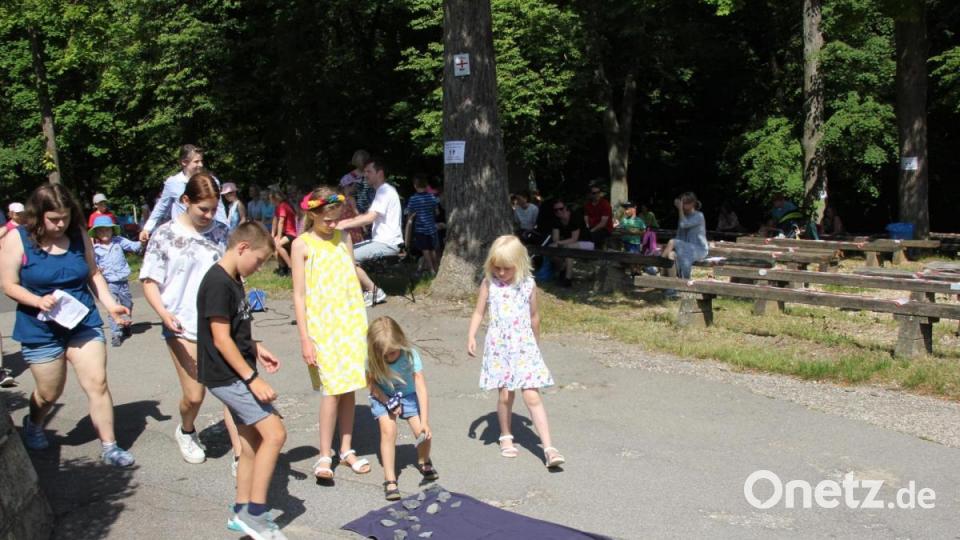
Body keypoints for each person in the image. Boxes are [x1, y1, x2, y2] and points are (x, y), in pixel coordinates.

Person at [0, 183, 134, 466]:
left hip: (82, 321)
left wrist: (111, 306)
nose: (61, 224)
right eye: (53, 219)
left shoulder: (78, 235)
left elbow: (94, 274)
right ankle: (34, 421)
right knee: (49, 393)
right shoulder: (17, 239)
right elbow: (8, 285)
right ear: (38, 216)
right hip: (40, 328)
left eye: (65, 217)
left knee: (97, 382)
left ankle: (110, 446)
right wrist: (37, 301)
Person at [140, 172, 243, 468]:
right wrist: (163, 314)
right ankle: (186, 429)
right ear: (186, 201)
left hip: (220, 324)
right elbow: (149, 281)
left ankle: (240, 456)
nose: (209, 216)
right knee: (195, 395)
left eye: (214, 209)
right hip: (182, 326)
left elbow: (234, 277)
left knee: (232, 391)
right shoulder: (165, 235)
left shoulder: (222, 233)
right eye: (203, 209)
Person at [196, 222, 288, 540]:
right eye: (259, 260)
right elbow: (220, 340)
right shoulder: (218, 283)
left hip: (237, 370)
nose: (259, 267)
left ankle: (241, 511)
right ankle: (256, 514)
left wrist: (256, 347)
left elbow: (235, 330)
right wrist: (252, 378)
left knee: (251, 442)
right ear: (243, 248)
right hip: (229, 376)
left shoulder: (235, 279)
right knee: (275, 434)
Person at [291, 186, 371, 481]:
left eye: (336, 218)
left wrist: (371, 290)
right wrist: (305, 338)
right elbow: (299, 295)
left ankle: (346, 448)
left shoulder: (344, 238)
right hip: (322, 329)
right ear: (312, 215)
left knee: (349, 387)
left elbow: (351, 273)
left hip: (350, 323)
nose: (333, 224)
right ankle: (324, 454)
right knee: (331, 390)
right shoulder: (302, 245)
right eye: (327, 219)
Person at [467, 235, 564, 468]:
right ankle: (505, 435)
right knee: (505, 395)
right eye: (496, 267)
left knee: (532, 395)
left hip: (524, 346)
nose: (501, 273)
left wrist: (536, 344)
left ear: (519, 264)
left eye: (506, 269)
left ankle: (549, 447)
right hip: (500, 348)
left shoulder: (528, 284)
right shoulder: (490, 284)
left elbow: (534, 317)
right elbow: (479, 312)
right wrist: (471, 335)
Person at [366, 316, 438, 501]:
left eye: (393, 353)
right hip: (383, 395)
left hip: (408, 395)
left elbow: (421, 386)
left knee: (422, 433)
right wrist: (387, 401)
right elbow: (371, 385)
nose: (390, 357)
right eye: (385, 355)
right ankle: (390, 479)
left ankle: (423, 460)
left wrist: (425, 421)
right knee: (388, 431)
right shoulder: (372, 360)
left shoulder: (410, 355)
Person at [335, 157, 401, 306]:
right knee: (345, 251)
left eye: (369, 171)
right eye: (364, 172)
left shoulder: (385, 191)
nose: (365, 175)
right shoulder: (381, 191)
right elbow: (366, 215)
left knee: (346, 256)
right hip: (381, 241)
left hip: (387, 244)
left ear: (380, 173)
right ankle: (357, 292)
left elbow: (370, 217)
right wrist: (344, 222)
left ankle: (373, 291)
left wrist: (343, 225)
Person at [139, 144, 227, 242]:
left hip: (207, 233)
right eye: (196, 162)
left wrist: (227, 230)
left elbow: (219, 208)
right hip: (182, 235)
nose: (201, 165)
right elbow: (161, 207)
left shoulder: (211, 182)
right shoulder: (173, 182)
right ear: (184, 162)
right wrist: (147, 228)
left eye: (201, 161)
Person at [89, 216, 141, 347]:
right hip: (109, 282)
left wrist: (143, 241)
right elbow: (93, 265)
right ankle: (116, 333)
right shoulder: (96, 249)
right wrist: (97, 269)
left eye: (107, 230)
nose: (104, 233)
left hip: (123, 280)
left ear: (113, 231)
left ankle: (126, 323)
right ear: (96, 234)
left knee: (127, 303)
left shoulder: (119, 241)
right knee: (112, 306)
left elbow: (134, 246)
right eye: (101, 231)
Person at [661, 192, 709, 281]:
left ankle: (658, 266)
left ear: (693, 203)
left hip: (698, 249)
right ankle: (671, 287)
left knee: (672, 241)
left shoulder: (699, 215)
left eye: (685, 203)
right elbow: (679, 234)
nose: (683, 205)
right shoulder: (683, 216)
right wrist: (672, 248)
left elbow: (683, 224)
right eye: (682, 203)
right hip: (685, 248)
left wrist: (679, 209)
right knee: (671, 255)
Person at [550, 200, 593, 287]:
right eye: (556, 210)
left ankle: (568, 279)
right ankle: (563, 269)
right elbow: (555, 238)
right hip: (569, 243)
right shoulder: (556, 220)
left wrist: (559, 243)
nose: (559, 211)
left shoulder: (575, 217)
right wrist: (558, 243)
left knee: (568, 249)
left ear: (565, 208)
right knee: (551, 249)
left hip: (586, 243)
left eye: (561, 209)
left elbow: (574, 239)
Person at [406, 176, 440, 275]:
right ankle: (436, 267)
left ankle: (431, 269)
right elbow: (437, 212)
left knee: (425, 249)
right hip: (432, 228)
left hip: (420, 229)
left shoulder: (413, 199)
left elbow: (409, 215)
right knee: (433, 248)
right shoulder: (432, 197)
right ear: (426, 185)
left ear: (415, 186)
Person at [270, 188, 297, 276]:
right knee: (273, 245)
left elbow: (281, 221)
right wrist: (272, 235)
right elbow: (275, 221)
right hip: (285, 233)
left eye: (271, 200)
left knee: (278, 245)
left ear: (276, 198)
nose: (271, 202)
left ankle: (291, 268)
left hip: (291, 233)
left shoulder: (283, 206)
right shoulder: (277, 207)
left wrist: (278, 236)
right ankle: (282, 267)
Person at [343, 149, 375, 215]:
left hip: (372, 208)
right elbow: (347, 195)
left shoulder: (372, 175)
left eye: (364, 162)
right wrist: (354, 186)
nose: (362, 165)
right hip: (355, 211)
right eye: (359, 162)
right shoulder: (348, 178)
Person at [337, 176, 364, 245]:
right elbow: (356, 212)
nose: (355, 188)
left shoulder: (336, 199)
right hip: (353, 227)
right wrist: (363, 225)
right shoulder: (351, 198)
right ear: (347, 186)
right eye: (354, 185)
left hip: (341, 226)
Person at [584, 184, 613, 248]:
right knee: (583, 235)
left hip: (605, 229)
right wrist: (587, 227)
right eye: (594, 193)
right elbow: (586, 217)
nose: (597, 194)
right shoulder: (587, 204)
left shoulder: (605, 204)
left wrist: (591, 230)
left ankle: (597, 255)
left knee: (593, 236)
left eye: (598, 192)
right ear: (590, 194)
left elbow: (603, 224)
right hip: (592, 227)